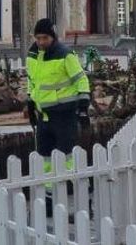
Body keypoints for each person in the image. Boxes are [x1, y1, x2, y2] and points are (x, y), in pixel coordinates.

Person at [25, 18, 90, 181]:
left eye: (45, 38)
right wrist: (30, 102)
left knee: (67, 155)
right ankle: (49, 194)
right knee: (44, 157)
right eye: (38, 38)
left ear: (53, 37)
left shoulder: (65, 55)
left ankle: (75, 187)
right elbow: (32, 81)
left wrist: (83, 108)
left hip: (64, 115)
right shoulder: (32, 56)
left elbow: (81, 80)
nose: (41, 42)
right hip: (43, 116)